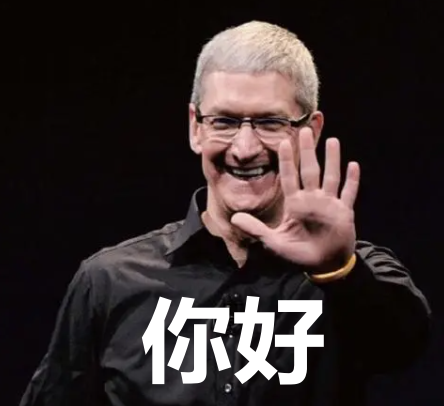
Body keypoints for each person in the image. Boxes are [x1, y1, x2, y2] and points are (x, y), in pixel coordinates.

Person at [19, 20, 431, 406]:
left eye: (270, 122)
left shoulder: (353, 273)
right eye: (224, 122)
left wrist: (337, 271)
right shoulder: (108, 281)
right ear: (195, 127)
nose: (245, 148)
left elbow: (403, 347)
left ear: (311, 131)